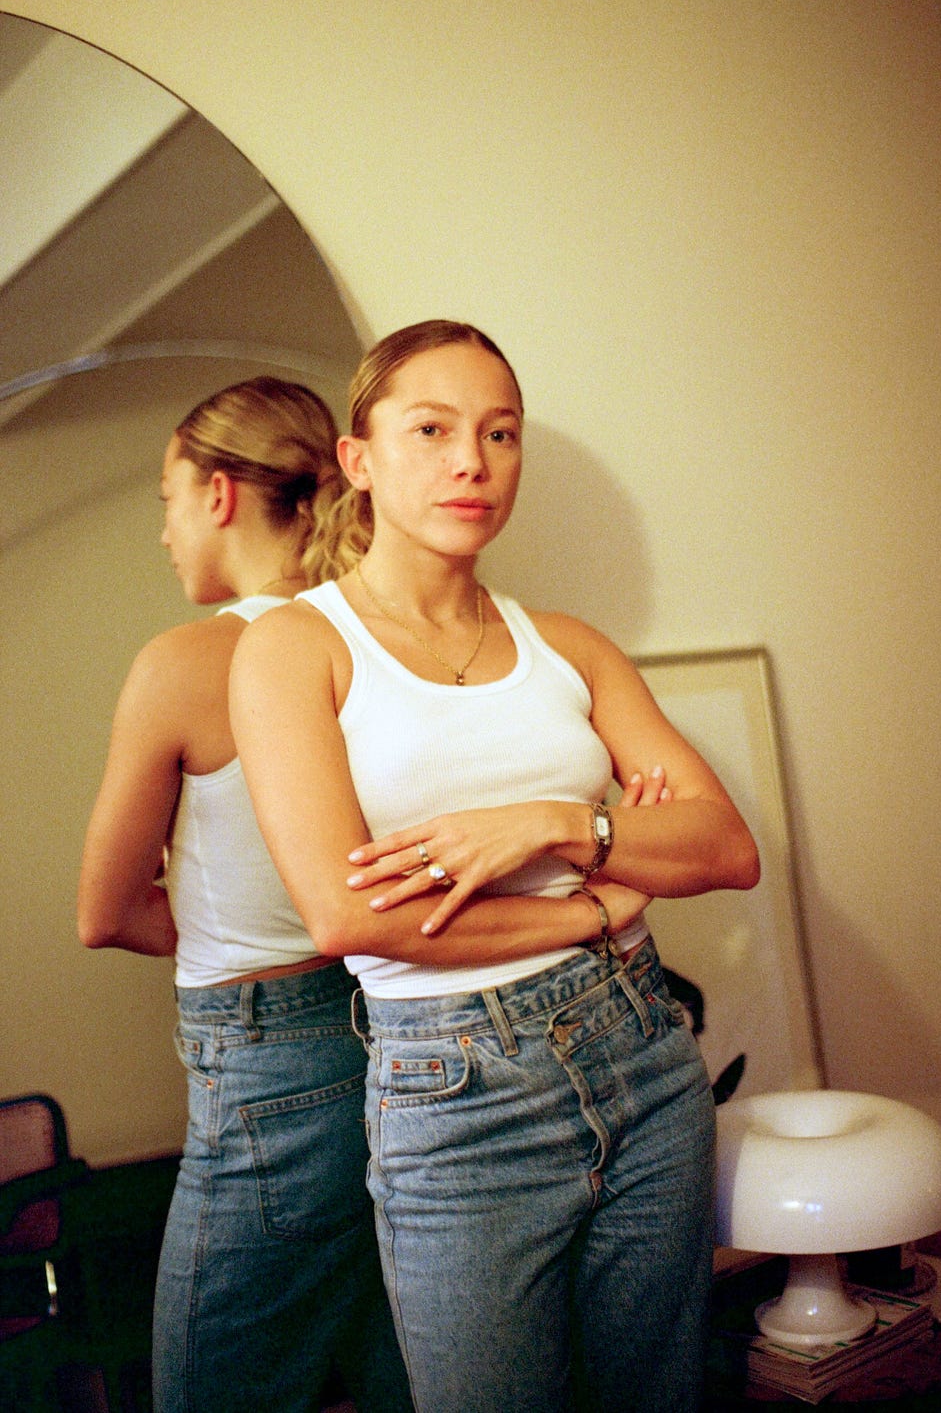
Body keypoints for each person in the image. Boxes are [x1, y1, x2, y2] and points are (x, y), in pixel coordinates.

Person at [229, 323, 761, 1413]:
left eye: (499, 432)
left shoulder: (568, 645)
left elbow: (724, 846)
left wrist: (558, 825)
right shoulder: (295, 646)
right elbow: (347, 917)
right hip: (456, 1098)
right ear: (358, 458)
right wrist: (599, 906)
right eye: (431, 430)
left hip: (645, 1057)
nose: (471, 461)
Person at [76, 378, 413, 1413]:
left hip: (271, 1070)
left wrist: (218, 917)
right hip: (405, 1038)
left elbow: (104, 912)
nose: (165, 532)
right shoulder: (384, 642)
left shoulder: (188, 662)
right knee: (402, 1367)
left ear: (219, 494)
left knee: (209, 1389)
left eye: (167, 501)